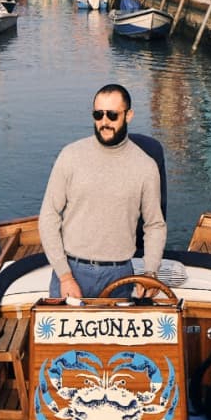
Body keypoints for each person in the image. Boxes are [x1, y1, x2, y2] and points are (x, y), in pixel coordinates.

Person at [39, 83, 166, 300]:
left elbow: (154, 224)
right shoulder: (70, 156)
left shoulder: (146, 167)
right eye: (98, 114)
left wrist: (150, 273)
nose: (104, 122)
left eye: (112, 115)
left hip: (120, 276)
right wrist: (65, 276)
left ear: (129, 115)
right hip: (71, 273)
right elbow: (49, 217)